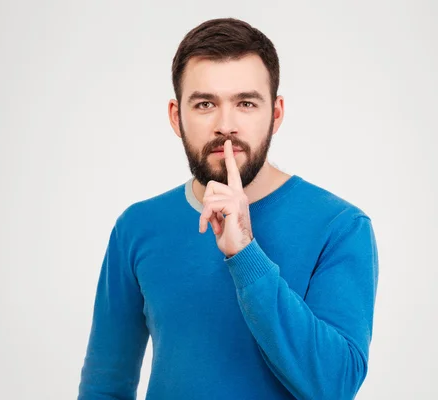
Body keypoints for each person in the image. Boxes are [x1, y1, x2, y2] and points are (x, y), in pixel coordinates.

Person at [77, 17, 379, 400]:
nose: (226, 125)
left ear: (276, 113)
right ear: (176, 117)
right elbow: (105, 385)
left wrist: (245, 254)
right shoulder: (137, 226)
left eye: (246, 103)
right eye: (205, 104)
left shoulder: (341, 226)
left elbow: (334, 386)